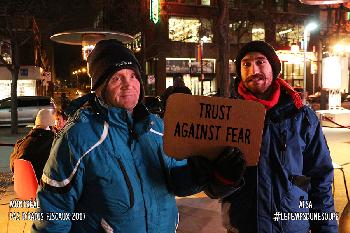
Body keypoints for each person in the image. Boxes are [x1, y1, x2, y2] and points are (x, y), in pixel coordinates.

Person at [31, 39, 246, 233]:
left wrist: (207, 173)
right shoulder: (78, 137)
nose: (129, 84)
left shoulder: (157, 128)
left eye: (133, 76)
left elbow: (177, 182)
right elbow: (53, 212)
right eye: (117, 78)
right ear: (100, 88)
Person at [206, 41, 338, 232]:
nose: (253, 69)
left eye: (260, 62)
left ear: (274, 67)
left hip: (292, 225)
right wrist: (224, 178)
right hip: (243, 225)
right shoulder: (227, 116)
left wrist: (326, 229)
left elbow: (320, 180)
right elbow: (210, 186)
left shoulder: (301, 117)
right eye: (246, 64)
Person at [10, 109, 56, 181]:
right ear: (51, 127)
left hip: (22, 185)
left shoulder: (20, 143)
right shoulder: (50, 143)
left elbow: (13, 166)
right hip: (41, 185)